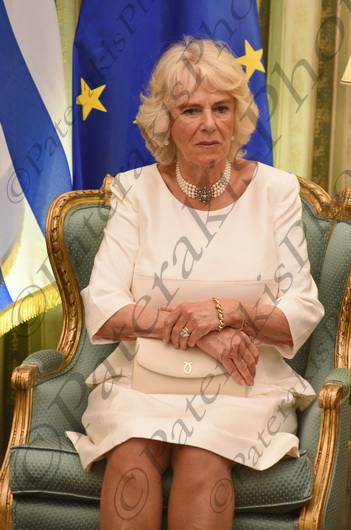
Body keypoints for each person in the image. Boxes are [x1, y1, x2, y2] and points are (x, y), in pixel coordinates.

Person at [66, 36, 324, 530]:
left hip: (245, 383)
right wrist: (203, 331)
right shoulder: (134, 191)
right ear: (166, 121)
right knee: (131, 460)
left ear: (237, 116)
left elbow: (303, 307)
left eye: (221, 108)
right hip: (145, 380)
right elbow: (103, 305)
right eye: (191, 110)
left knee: (202, 457)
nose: (209, 123)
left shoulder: (276, 191)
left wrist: (229, 312)